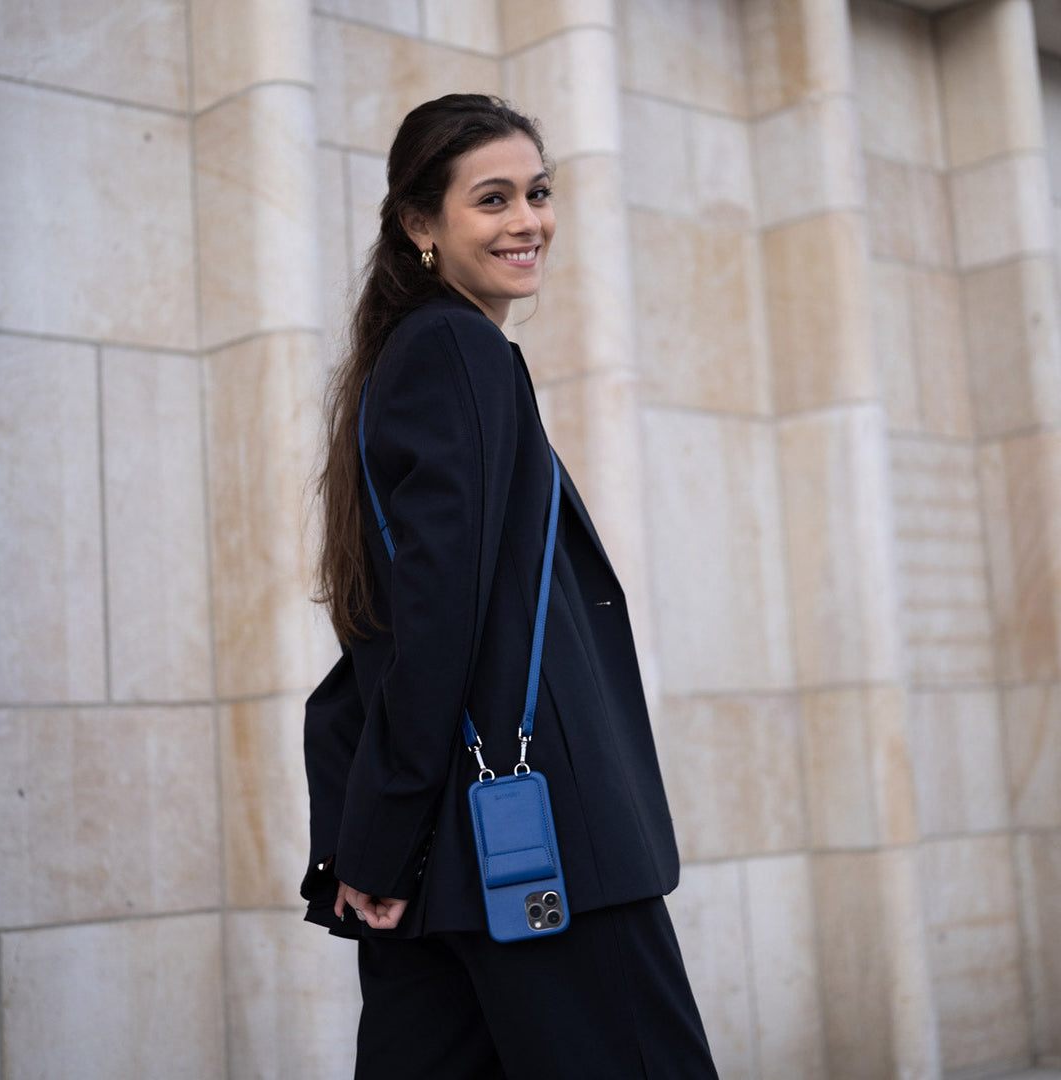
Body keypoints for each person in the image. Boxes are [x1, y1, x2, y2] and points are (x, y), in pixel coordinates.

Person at [302, 93, 719, 1079]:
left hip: (442, 864)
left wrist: (377, 844)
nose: (529, 221)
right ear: (419, 223)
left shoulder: (408, 359)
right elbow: (436, 616)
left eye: (538, 192)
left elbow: (402, 617)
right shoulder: (457, 351)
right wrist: (381, 835)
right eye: (491, 199)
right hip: (537, 849)